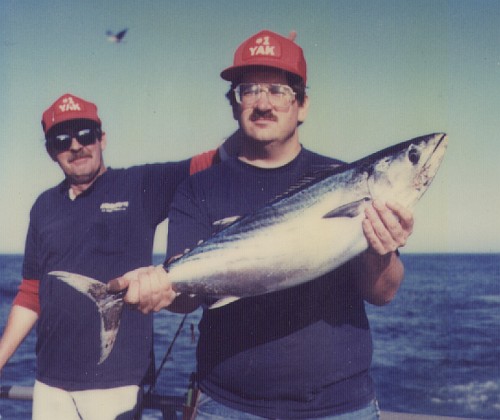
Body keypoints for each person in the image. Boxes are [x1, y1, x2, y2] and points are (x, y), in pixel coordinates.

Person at [113, 30, 414, 419]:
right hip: (227, 406)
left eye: (278, 90)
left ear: (302, 105)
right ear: (234, 105)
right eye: (249, 90)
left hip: (341, 406)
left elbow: (383, 293)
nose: (262, 103)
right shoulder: (197, 189)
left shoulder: (343, 180)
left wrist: (381, 248)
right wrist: (160, 289)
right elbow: (187, 296)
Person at [0, 93, 231, 420]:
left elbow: (214, 160)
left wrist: (256, 101)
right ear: (51, 151)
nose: (76, 145)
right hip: (49, 383)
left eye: (86, 134)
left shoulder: (139, 185)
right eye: (62, 139)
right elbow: (31, 292)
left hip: (117, 386)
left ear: (102, 139)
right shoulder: (43, 207)